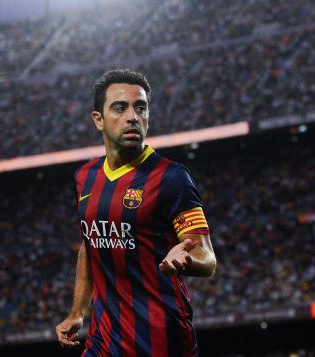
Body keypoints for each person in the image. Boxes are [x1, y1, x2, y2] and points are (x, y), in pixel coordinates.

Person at [55, 69, 217, 356]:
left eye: (140, 108)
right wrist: (78, 312)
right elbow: (90, 245)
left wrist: (187, 258)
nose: (133, 116)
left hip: (160, 341)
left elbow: (208, 259)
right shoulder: (85, 177)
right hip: (103, 341)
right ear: (98, 120)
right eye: (120, 108)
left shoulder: (172, 177)